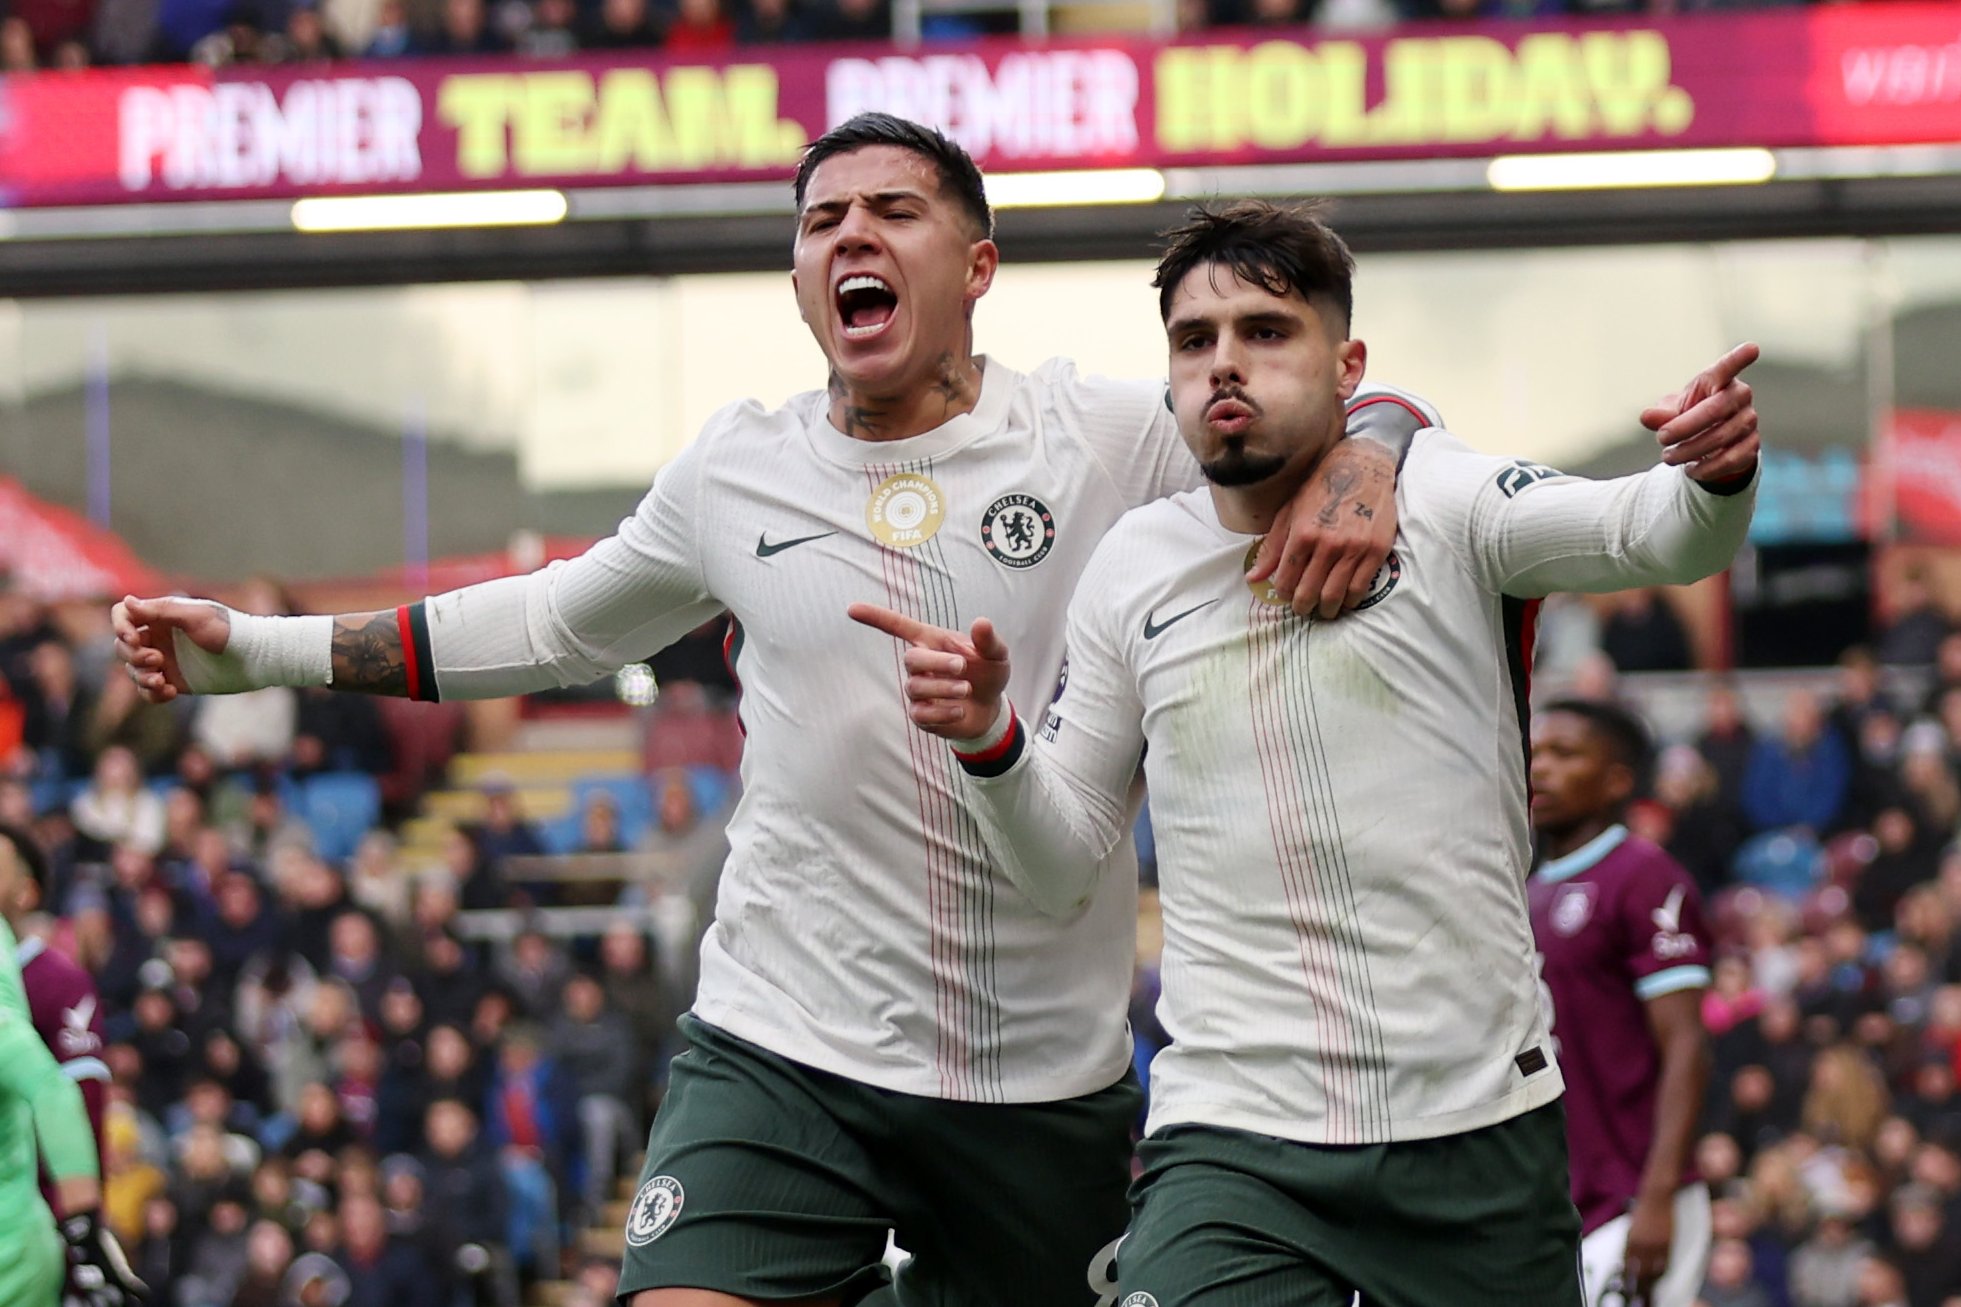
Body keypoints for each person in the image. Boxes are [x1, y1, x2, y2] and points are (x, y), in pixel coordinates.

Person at [109, 115, 1435, 1307]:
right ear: (801, 281)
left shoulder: (1102, 435)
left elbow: (1328, 399)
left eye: (894, 210)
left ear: (977, 266)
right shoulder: (737, 470)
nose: (851, 234)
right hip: (781, 1044)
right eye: (821, 221)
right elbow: (548, 621)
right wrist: (258, 649)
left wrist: (1370, 453)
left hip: (1033, 1078)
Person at [857, 199, 1760, 1305]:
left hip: (1476, 1131)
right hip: (1232, 1143)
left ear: (1348, 365)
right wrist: (990, 740)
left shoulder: (1446, 498)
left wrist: (1713, 474)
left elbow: (1650, 531)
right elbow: (1059, 863)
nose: (1224, 362)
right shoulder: (1130, 566)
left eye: (1265, 331)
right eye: (1194, 340)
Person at [1526, 700, 1715, 1307]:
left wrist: (1658, 1196)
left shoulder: (1642, 874)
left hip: (1635, 1197)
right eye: (1536, 752)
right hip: (1560, 1205)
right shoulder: (1528, 888)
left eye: (1565, 754)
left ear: (1617, 780)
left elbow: (1686, 1043)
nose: (1540, 768)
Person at [0, 823, 146, 1307]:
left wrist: (79, 1228)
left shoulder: (55, 981)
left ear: (26, 891)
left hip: (31, 1225)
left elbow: (74, 1099)